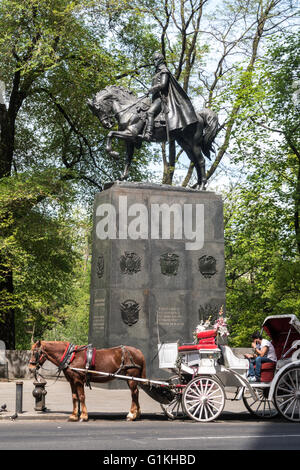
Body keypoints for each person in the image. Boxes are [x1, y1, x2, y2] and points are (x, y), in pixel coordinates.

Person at [143, 52, 198, 141]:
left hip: (161, 99)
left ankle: (149, 133)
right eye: (153, 60)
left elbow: (163, 85)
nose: (154, 62)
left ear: (160, 60)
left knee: (150, 112)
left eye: (155, 60)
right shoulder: (157, 73)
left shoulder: (164, 71)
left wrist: (151, 89)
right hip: (155, 98)